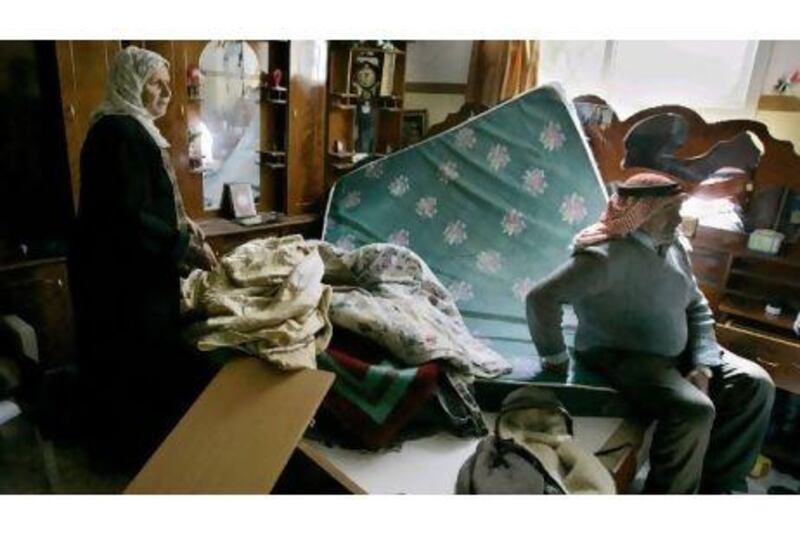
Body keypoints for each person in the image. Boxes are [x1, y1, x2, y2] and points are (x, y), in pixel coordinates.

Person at [525, 172, 775, 494]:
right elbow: (540, 298)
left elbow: (696, 306)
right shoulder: (603, 258)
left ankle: (721, 488)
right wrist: (554, 359)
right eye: (671, 209)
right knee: (695, 411)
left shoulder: (675, 246)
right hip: (621, 353)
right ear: (645, 214)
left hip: (676, 350)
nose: (678, 218)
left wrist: (702, 364)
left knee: (756, 384)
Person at [69, 46, 218, 468]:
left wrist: (187, 226)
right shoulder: (119, 132)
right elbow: (128, 215)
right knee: (131, 361)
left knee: (141, 359)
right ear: (130, 83)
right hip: (122, 276)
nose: (166, 92)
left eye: (167, 84)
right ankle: (133, 459)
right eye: (155, 82)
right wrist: (184, 247)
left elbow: (153, 201)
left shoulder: (132, 127)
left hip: (132, 267)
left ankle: (143, 449)